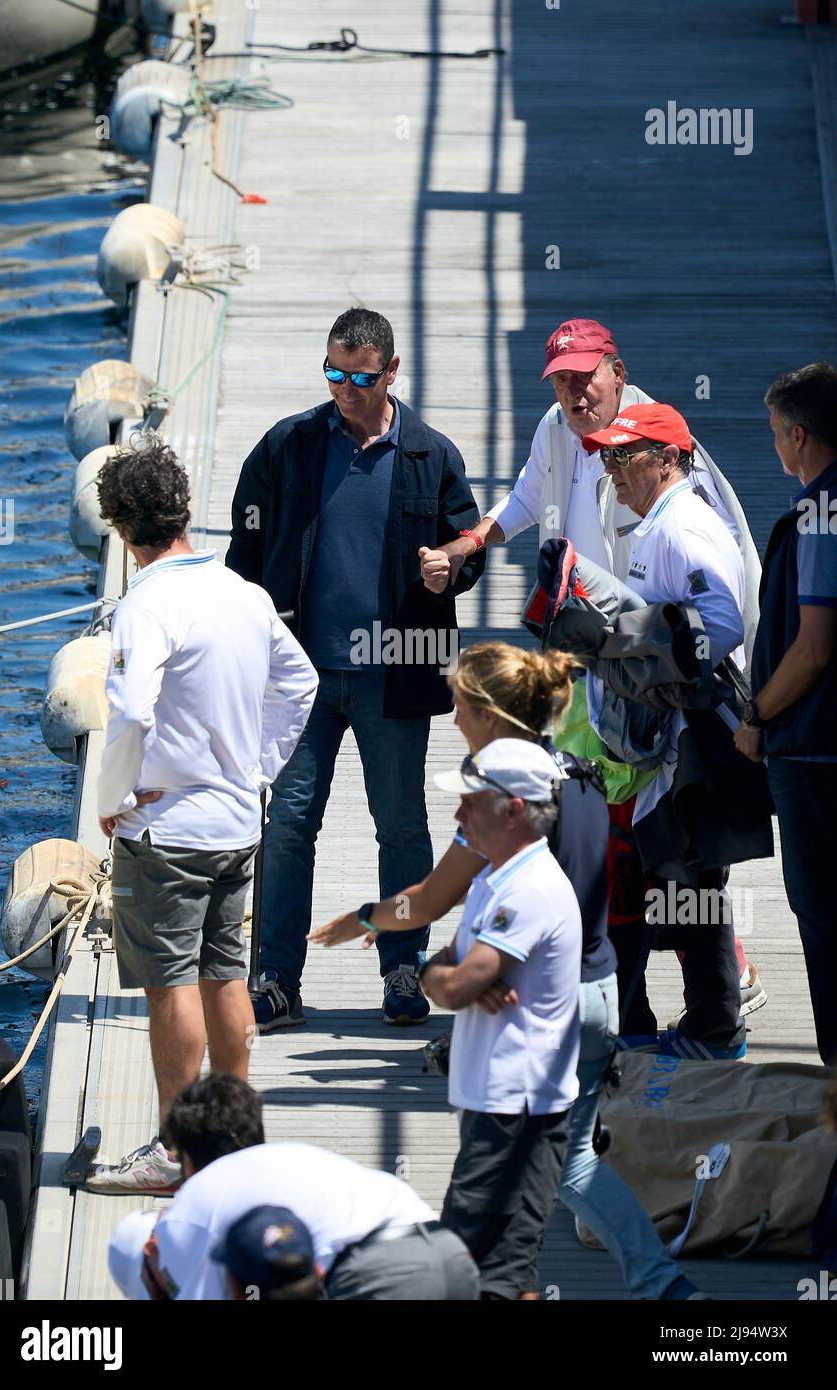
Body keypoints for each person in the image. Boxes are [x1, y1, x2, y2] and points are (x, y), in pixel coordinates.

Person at [310, 642, 703, 1300]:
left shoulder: (502, 797)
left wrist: (370, 917)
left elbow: (433, 900)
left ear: (491, 716)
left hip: (532, 1007)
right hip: (597, 989)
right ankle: (659, 1286)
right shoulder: (578, 774)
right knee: (566, 1159)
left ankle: (510, 1282)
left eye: (462, 707)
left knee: (498, 1165)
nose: (455, 720)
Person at [418, 316, 766, 1021]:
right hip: (592, 666)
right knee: (607, 834)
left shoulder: (652, 451)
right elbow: (522, 501)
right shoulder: (558, 427)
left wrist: (674, 666)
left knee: (659, 840)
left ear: (617, 370)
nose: (576, 395)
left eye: (586, 377)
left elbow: (716, 611)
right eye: (563, 381)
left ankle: (709, 989)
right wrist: (466, 546)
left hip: (654, 682)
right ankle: (632, 1007)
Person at [225, 306, 485, 1030]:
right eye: (333, 373)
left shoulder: (431, 455)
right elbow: (245, 548)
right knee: (287, 826)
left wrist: (450, 571)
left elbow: (467, 543)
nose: (344, 389)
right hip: (301, 676)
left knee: (399, 825)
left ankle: (403, 968)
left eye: (360, 377)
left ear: (391, 372)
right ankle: (276, 979)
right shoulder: (289, 446)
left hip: (392, 677)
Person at [88, 436, 318, 1194]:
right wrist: (259, 770)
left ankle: (175, 1149)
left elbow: (129, 711)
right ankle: (236, 1139)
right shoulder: (242, 593)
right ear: (183, 511)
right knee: (226, 975)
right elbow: (301, 681)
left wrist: (113, 801)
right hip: (236, 823)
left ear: (122, 531)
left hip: (170, 831)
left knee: (170, 984)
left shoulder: (145, 604)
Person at [581, 402, 748, 1059]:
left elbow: (723, 624)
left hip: (699, 734)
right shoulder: (660, 526)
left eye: (625, 455)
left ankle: (716, 1030)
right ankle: (707, 1023)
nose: (612, 468)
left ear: (669, 459)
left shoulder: (680, 530)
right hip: (679, 734)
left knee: (693, 880)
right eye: (605, 456)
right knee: (681, 878)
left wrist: (629, 644)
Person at [416, 739, 581, 1300]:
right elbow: (455, 974)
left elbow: (457, 983)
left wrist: (440, 974)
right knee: (506, 1275)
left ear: (513, 809)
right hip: (498, 1104)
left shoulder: (528, 890)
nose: (458, 814)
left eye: (470, 802)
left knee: (468, 1272)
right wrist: (443, 973)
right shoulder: (495, 878)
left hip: (516, 1114)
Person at [107, 1074, 478, 1300]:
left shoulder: (191, 1209)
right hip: (451, 1254)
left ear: (186, 1160)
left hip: (376, 1279)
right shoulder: (294, 1159)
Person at [735, 364, 837, 1065]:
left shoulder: (821, 517)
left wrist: (755, 716)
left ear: (799, 436)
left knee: (825, 924)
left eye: (775, 435)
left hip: (815, 757)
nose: (774, 449)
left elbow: (813, 647)